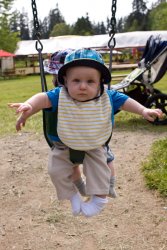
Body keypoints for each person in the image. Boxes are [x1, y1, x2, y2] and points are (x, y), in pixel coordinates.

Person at [9, 48, 162, 218]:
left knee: (100, 169)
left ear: (100, 82)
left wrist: (143, 110)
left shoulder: (107, 96)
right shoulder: (60, 95)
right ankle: (71, 195)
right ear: (65, 81)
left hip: (94, 143)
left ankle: (99, 200)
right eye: (76, 80)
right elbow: (41, 98)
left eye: (90, 81)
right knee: (55, 170)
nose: (82, 86)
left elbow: (126, 101)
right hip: (63, 144)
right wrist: (29, 106)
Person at [44, 49, 117, 198]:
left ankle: (109, 186)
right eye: (55, 77)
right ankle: (81, 188)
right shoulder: (58, 95)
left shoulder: (98, 95)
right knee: (72, 165)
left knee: (105, 159)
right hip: (67, 138)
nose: (56, 81)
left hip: (94, 138)